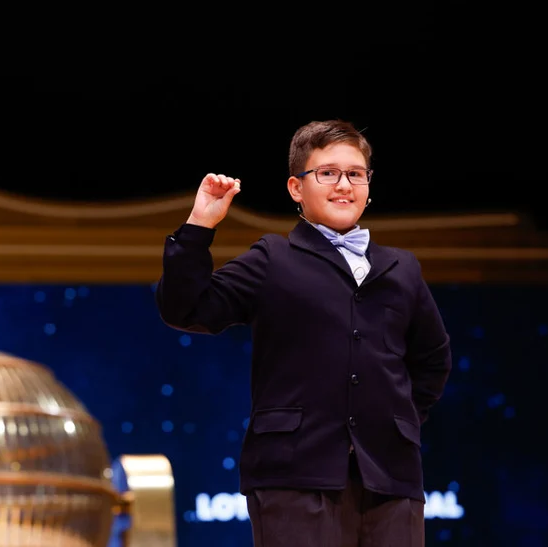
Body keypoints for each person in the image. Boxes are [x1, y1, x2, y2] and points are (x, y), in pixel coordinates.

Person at [155, 119, 452, 546]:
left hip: (390, 477)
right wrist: (200, 224)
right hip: (292, 474)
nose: (344, 185)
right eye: (328, 173)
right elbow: (186, 308)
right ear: (296, 187)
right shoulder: (273, 258)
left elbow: (432, 360)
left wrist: (395, 421)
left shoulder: (402, 268)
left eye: (356, 174)